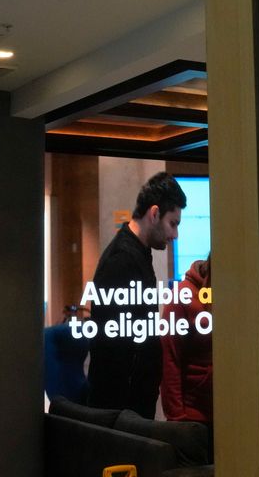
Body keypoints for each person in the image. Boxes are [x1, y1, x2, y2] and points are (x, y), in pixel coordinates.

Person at [86, 172, 185, 418]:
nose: (175, 235)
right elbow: (115, 352)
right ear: (154, 214)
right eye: (173, 224)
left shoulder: (137, 253)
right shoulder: (122, 260)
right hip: (123, 411)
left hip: (130, 409)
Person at [161, 256, 213, 433]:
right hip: (194, 416)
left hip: (230, 409)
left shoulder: (229, 294)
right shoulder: (182, 296)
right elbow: (169, 360)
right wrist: (177, 418)